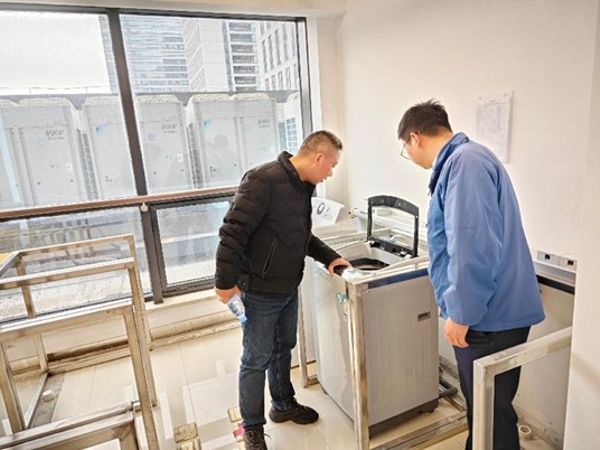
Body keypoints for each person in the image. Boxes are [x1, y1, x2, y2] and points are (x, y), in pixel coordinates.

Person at [397, 100, 544, 450]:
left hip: (486, 318)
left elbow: (472, 246)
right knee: (486, 408)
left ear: (415, 137)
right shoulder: (465, 160)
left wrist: (462, 313)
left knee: (489, 410)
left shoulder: (465, 163)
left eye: (405, 148)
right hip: (490, 312)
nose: (409, 155)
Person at [214, 130, 351, 450]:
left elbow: (301, 236)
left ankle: (283, 404)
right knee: (255, 359)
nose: (331, 173)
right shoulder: (263, 180)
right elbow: (232, 232)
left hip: (287, 287)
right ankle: (252, 428)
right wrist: (224, 283)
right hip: (258, 291)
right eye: (331, 165)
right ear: (318, 157)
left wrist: (330, 257)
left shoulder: (303, 186)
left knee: (283, 348)